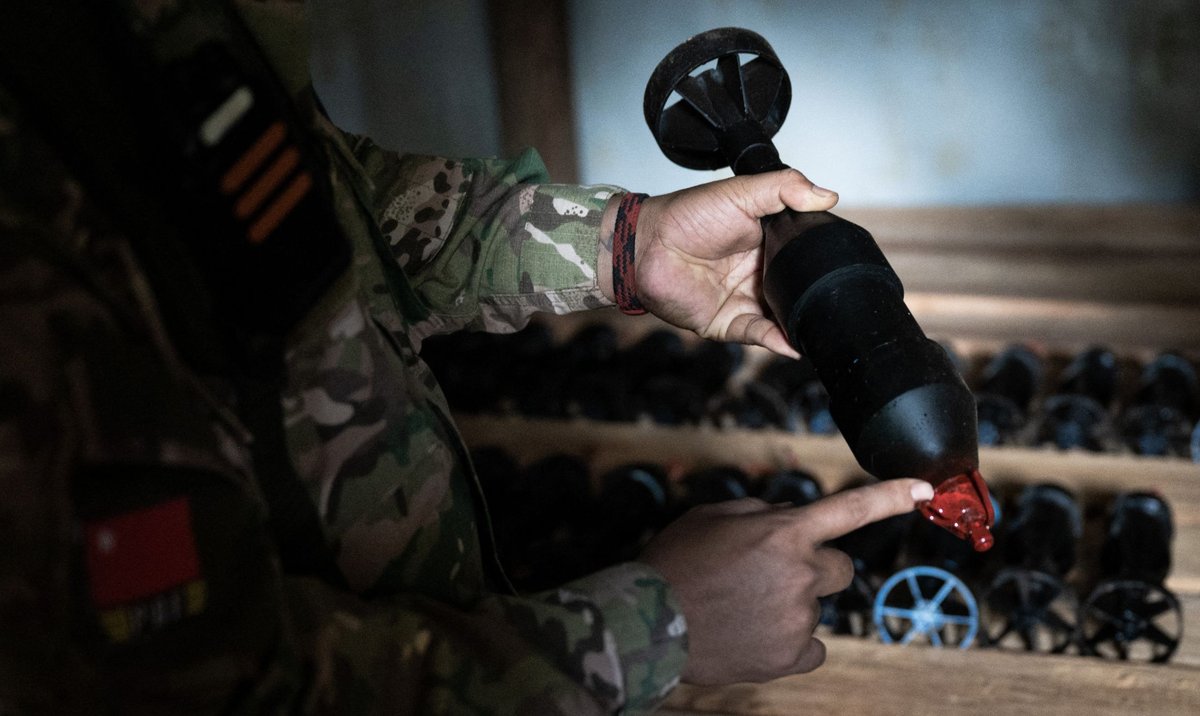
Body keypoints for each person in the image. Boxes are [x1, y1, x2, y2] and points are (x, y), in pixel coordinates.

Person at [0, 1, 932, 713]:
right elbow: (179, 688)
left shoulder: (140, 28)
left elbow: (324, 201)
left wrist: (622, 244)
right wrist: (653, 629)